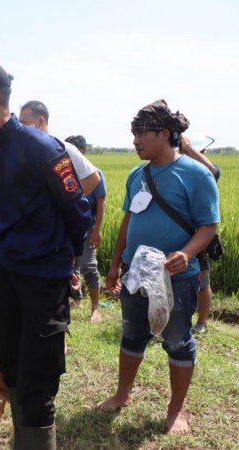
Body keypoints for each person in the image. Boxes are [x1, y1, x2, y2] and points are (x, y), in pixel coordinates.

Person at [0, 59, 91, 450]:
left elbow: (78, 210)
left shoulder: (41, 147)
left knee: (39, 373)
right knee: (9, 362)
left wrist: (66, 262)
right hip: (8, 268)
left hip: (44, 275)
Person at [95, 100, 219, 435]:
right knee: (132, 334)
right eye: (132, 133)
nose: (134, 140)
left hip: (177, 277)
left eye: (140, 134)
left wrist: (187, 254)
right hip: (136, 274)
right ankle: (122, 395)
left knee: (178, 341)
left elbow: (209, 226)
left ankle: (175, 411)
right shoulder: (137, 173)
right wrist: (115, 263)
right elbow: (128, 220)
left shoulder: (196, 174)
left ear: (164, 133)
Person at [178, 136, 220, 335]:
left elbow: (212, 170)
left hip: (199, 238)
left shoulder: (205, 173)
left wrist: (188, 149)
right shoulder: (181, 170)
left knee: (203, 282)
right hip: (178, 237)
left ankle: (202, 322)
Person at [65, 135, 106, 323]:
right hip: (69, 227)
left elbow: (101, 201)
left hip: (88, 227)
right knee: (71, 266)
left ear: (82, 152)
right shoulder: (65, 174)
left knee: (89, 266)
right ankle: (77, 301)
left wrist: (97, 230)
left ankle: (96, 308)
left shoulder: (94, 173)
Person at [19, 101, 101, 195]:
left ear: (40, 122)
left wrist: (71, 202)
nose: (20, 128)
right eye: (19, 124)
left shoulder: (63, 149)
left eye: (24, 123)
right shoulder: (23, 152)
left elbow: (93, 179)